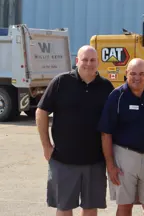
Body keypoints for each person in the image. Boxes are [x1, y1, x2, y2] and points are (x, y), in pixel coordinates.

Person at [36, 45, 115, 216]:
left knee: (90, 208)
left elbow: (112, 123)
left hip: (95, 161)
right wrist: (46, 146)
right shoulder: (61, 82)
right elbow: (41, 112)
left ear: (98, 63)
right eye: (84, 59)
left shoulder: (106, 87)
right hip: (63, 160)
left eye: (92, 60)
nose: (88, 63)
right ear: (77, 61)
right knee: (64, 207)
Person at [98, 58, 144, 216]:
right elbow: (106, 133)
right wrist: (110, 165)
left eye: (141, 74)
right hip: (123, 157)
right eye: (133, 73)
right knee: (125, 206)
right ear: (126, 74)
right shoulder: (116, 96)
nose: (137, 77)